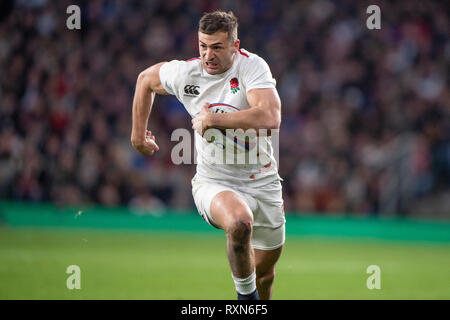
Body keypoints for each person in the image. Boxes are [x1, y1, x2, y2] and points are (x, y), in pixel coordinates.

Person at [131, 10, 284, 300]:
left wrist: (214, 120)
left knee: (264, 275)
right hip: (214, 181)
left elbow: (270, 118)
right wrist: (138, 135)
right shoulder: (187, 73)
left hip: (263, 182)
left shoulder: (252, 68)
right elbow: (145, 80)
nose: (208, 55)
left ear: (235, 47)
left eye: (216, 47)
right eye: (203, 46)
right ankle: (245, 304)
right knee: (239, 224)